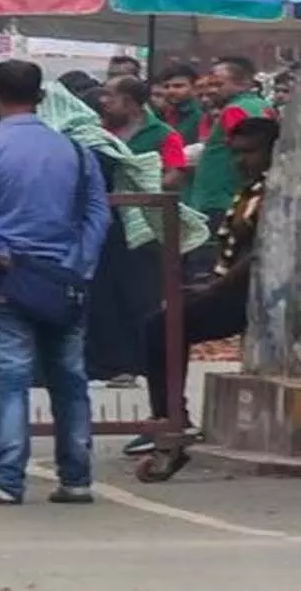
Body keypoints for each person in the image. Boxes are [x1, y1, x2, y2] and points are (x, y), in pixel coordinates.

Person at [0, 60, 111, 506]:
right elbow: (98, 214)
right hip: (67, 276)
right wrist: (80, 261)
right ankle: (77, 478)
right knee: (70, 377)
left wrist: (4, 253)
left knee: (9, 379)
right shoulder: (76, 151)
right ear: (42, 97)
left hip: (12, 279)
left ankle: (6, 481)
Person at [127, 117, 277, 462]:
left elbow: (261, 251)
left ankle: (169, 420)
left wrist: (217, 287)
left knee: (161, 326)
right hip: (230, 288)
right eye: (235, 154)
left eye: (250, 153)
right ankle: (170, 415)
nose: (241, 161)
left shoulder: (276, 191)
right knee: (161, 322)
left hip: (249, 296)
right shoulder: (250, 188)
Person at [188, 57, 271, 232]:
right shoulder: (260, 105)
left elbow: (252, 151)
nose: (211, 89)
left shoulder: (235, 110)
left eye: (217, 83)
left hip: (222, 200)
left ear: (240, 83)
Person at [100, 76, 190, 192]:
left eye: (109, 95)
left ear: (128, 101)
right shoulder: (99, 132)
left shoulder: (163, 133)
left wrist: (145, 189)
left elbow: (175, 174)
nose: (103, 100)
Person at [156, 62, 204, 145]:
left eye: (178, 86)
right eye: (166, 87)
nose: (171, 91)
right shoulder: (159, 114)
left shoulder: (202, 116)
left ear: (195, 88)